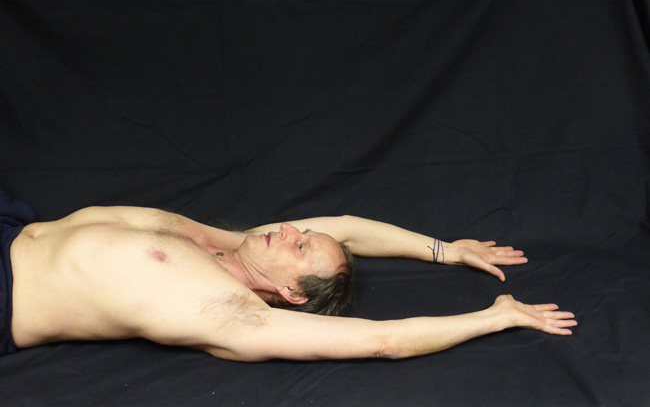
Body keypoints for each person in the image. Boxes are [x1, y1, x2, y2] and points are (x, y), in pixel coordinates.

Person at [0, 192, 577, 362]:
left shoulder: (230, 313)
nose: (288, 229)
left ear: (292, 293)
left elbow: (384, 340)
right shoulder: (228, 243)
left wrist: (493, 317)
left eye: (301, 246)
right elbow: (348, 227)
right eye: (300, 232)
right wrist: (443, 250)